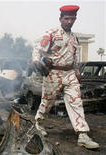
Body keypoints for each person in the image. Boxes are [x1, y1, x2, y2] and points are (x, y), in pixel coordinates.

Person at [32, 5, 99, 149]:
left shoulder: (75, 38)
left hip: (69, 74)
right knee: (47, 102)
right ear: (61, 18)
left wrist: (77, 73)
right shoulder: (51, 33)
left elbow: (74, 58)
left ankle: (82, 134)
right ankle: (38, 124)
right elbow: (38, 49)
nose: (70, 21)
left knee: (76, 102)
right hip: (53, 74)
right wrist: (36, 61)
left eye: (72, 18)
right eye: (67, 18)